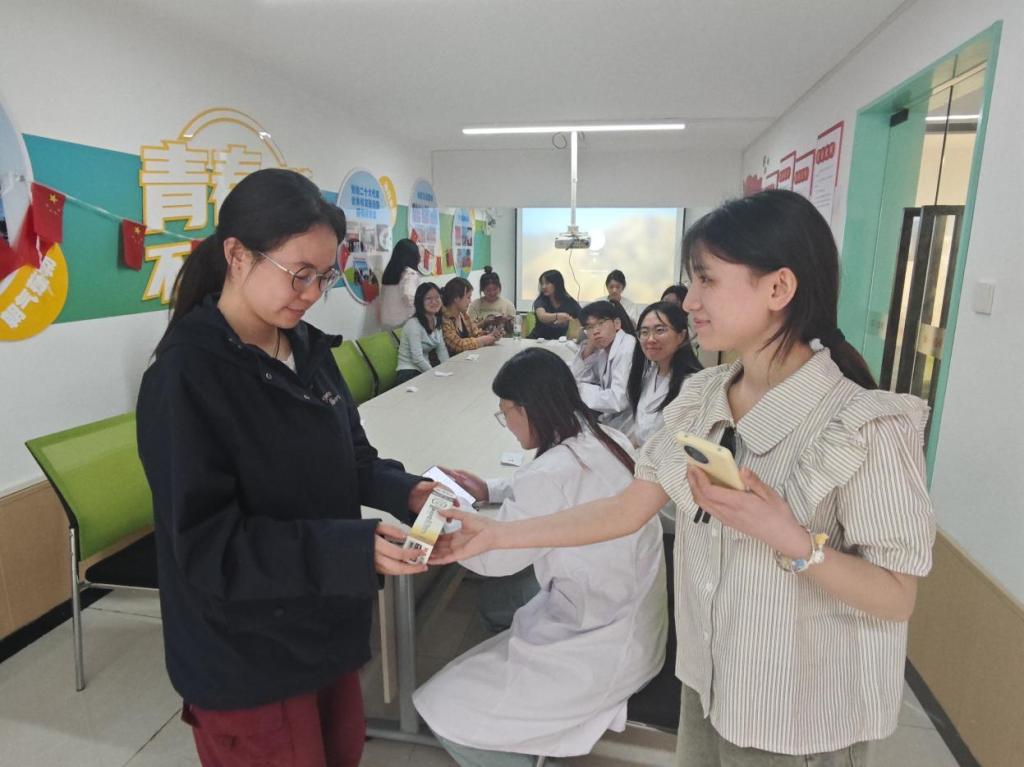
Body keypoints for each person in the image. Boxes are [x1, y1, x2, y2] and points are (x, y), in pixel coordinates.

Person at [434, 189, 936, 767]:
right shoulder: (701, 399)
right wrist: (498, 534)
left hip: (797, 715)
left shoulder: (866, 425)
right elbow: (626, 509)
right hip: (708, 681)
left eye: (707, 280)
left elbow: (896, 597)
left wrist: (792, 540)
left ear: (779, 288)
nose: (690, 300)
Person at [135, 168, 441, 767]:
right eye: (299, 273)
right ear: (237, 256)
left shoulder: (307, 349)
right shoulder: (186, 378)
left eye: (323, 277)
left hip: (323, 627)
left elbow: (353, 459)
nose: (311, 293)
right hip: (247, 655)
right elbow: (209, 547)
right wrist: (352, 548)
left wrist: (412, 492)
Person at [414, 347, 666, 767]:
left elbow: (494, 561)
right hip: (634, 617)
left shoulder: (550, 473)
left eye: (506, 414)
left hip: (601, 639)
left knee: (443, 708)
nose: (508, 426)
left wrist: (443, 524)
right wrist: (489, 490)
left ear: (528, 409)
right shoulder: (607, 437)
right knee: (502, 613)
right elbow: (550, 489)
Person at [626, 301, 702, 448]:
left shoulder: (692, 385)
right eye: (644, 332)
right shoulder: (650, 374)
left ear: (681, 335)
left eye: (659, 330)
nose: (650, 339)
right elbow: (640, 433)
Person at [570, 300, 637, 433]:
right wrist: (590, 346)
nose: (595, 331)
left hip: (627, 425)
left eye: (601, 323)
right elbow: (576, 376)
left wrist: (578, 390)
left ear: (617, 324)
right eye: (589, 327)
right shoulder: (603, 349)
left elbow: (618, 400)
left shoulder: (627, 348)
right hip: (610, 419)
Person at [397, 282, 448, 384]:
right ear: (420, 301)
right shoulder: (413, 324)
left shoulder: (436, 320)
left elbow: (441, 350)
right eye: (428, 298)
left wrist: (447, 369)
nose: (434, 302)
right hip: (408, 373)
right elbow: (417, 359)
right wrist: (435, 374)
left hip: (424, 369)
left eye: (437, 297)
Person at [442, 276, 499, 355]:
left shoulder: (463, 314)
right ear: (456, 298)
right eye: (468, 297)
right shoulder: (444, 319)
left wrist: (492, 335)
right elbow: (459, 345)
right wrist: (483, 340)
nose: (470, 301)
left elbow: (476, 333)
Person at [379, 237, 421, 327]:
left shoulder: (389, 273)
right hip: (403, 322)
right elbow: (409, 297)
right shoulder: (410, 274)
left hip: (386, 322)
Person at [529, 269, 581, 340]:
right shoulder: (540, 301)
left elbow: (583, 316)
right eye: (542, 284)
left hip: (559, 342)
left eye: (547, 283)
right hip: (537, 340)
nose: (543, 287)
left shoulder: (569, 301)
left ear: (557, 284)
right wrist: (558, 316)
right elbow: (542, 317)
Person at [468, 266, 516, 335]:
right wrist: (484, 322)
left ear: (499, 287)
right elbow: (469, 330)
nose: (492, 293)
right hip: (481, 340)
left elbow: (514, 331)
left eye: (495, 289)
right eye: (488, 290)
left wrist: (507, 322)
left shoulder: (508, 305)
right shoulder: (475, 305)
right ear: (482, 290)